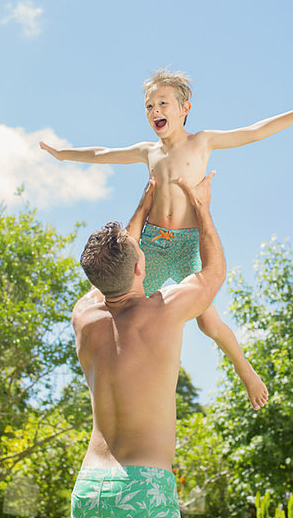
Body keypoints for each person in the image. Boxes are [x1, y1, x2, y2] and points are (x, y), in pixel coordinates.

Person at [40, 68, 293, 409]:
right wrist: (64, 154)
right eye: (149, 106)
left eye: (163, 104)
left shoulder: (202, 141)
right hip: (151, 244)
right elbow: (103, 154)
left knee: (209, 323)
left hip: (186, 245)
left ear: (185, 108)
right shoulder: (147, 151)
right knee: (107, 303)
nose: (155, 112)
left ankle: (245, 369)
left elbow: (253, 132)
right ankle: (116, 381)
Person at [71, 172, 230, 517]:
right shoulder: (162, 311)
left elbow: (110, 273)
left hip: (89, 488)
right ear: (141, 264)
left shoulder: (83, 316)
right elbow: (214, 272)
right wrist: (201, 207)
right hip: (142, 487)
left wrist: (143, 207)